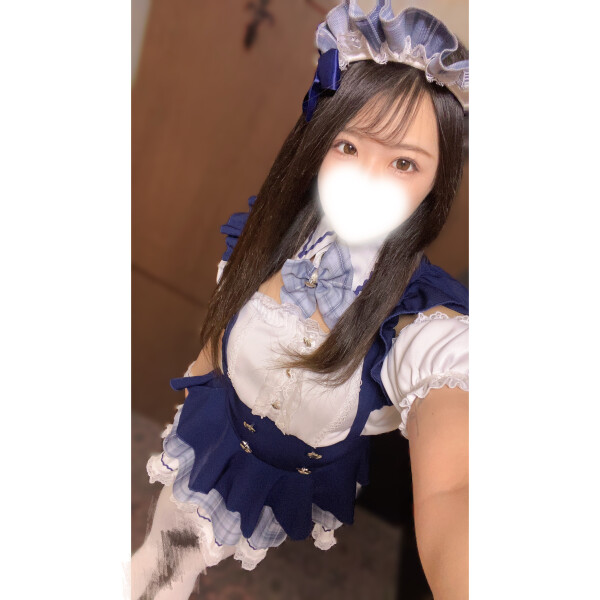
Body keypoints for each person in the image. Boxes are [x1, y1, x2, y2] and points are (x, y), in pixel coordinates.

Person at [131, 1, 469, 598]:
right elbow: (219, 328)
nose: (365, 180)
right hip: (215, 432)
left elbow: (455, 490)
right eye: (348, 147)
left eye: (403, 162)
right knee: (160, 566)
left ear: (436, 182)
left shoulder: (421, 320)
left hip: (288, 477)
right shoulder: (267, 230)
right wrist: (196, 391)